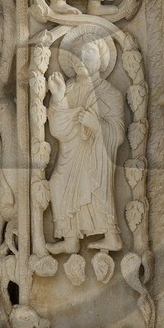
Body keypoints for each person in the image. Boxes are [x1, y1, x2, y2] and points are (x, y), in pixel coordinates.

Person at [47, 25, 124, 256]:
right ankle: (70, 239)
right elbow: (58, 130)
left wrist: (96, 125)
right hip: (70, 155)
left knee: (97, 186)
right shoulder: (68, 89)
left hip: (96, 157)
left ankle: (112, 235)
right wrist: (59, 99)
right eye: (76, 54)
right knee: (57, 184)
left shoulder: (111, 94)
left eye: (88, 53)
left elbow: (118, 133)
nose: (80, 58)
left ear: (101, 59)